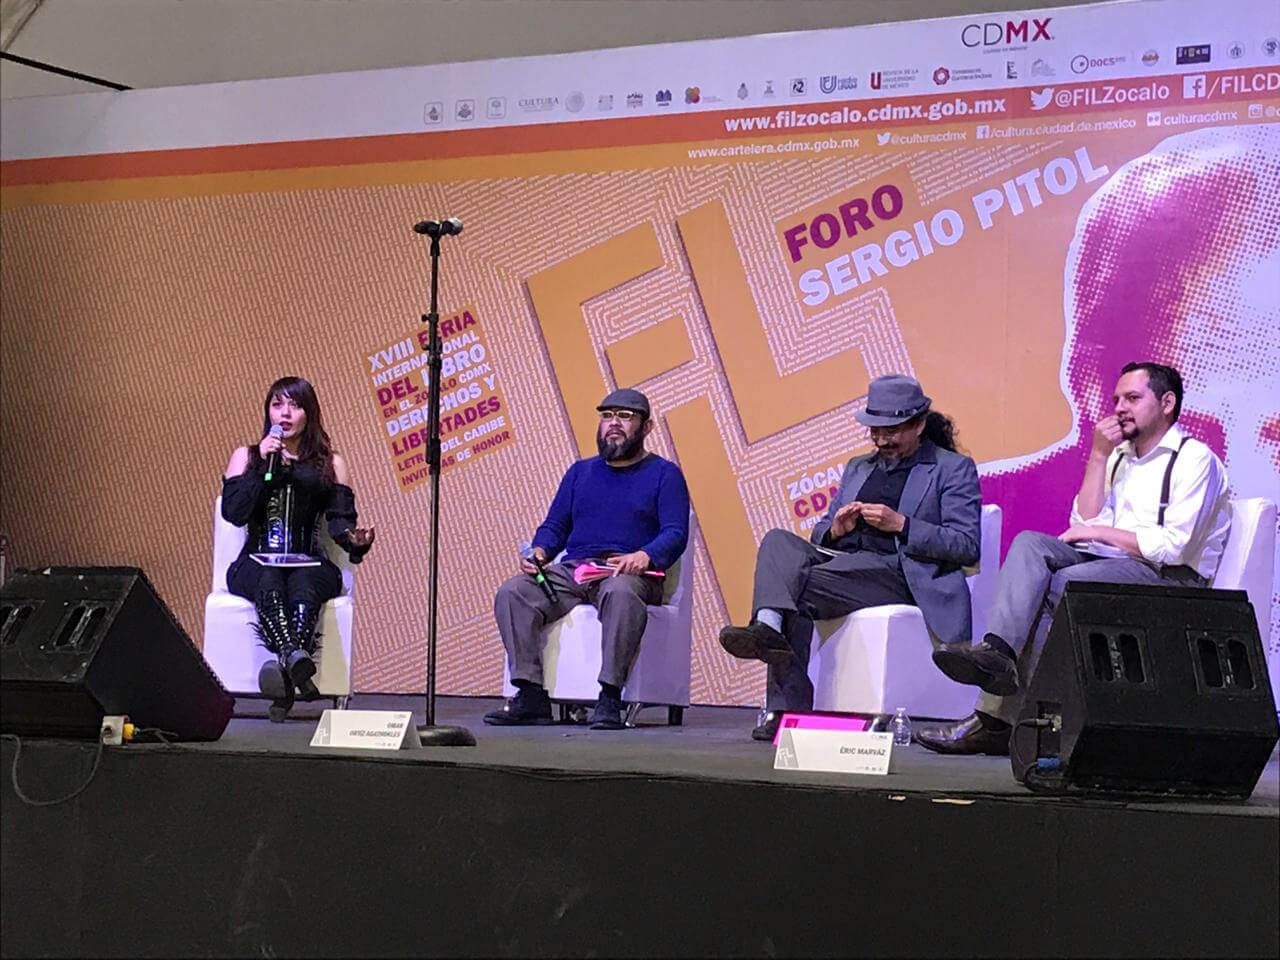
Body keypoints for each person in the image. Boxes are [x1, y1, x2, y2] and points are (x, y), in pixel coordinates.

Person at [917, 362, 1231, 755]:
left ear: (1167, 403)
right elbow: (1083, 521)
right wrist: (1098, 456)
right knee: (1031, 545)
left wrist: (1100, 533)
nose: (1120, 407)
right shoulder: (1120, 457)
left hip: (1170, 576)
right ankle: (998, 652)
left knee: (1064, 584)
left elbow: (1173, 547)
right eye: (1117, 399)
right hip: (1112, 563)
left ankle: (1016, 722)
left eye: (1133, 398)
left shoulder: (1194, 459)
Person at [718, 374, 982, 741]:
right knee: (777, 541)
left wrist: (903, 524)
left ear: (919, 425)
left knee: (793, 588)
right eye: (875, 431)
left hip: (901, 573)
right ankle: (769, 626)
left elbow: (966, 544)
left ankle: (785, 706)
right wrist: (836, 530)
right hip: (844, 566)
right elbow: (821, 530)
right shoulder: (859, 466)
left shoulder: (951, 468)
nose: (882, 440)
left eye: (892, 431)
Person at [487, 388, 690, 730]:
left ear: (647, 427)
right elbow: (555, 526)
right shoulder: (579, 473)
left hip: (629, 572)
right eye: (607, 416)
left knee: (620, 593)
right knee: (514, 592)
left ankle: (610, 695)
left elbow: (675, 532)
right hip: (576, 570)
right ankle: (531, 693)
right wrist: (540, 551)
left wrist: (645, 555)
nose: (614, 423)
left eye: (625, 417)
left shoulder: (664, 474)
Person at [222, 377, 375, 721]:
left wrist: (355, 542)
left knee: (304, 585)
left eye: (294, 405)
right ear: (268, 412)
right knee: (270, 579)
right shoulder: (247, 456)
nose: (285, 413)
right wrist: (262, 464)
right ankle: (295, 663)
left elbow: (340, 520)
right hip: (255, 560)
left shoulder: (331, 462)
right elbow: (234, 512)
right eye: (277, 405)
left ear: (310, 413)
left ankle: (287, 668)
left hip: (309, 561)